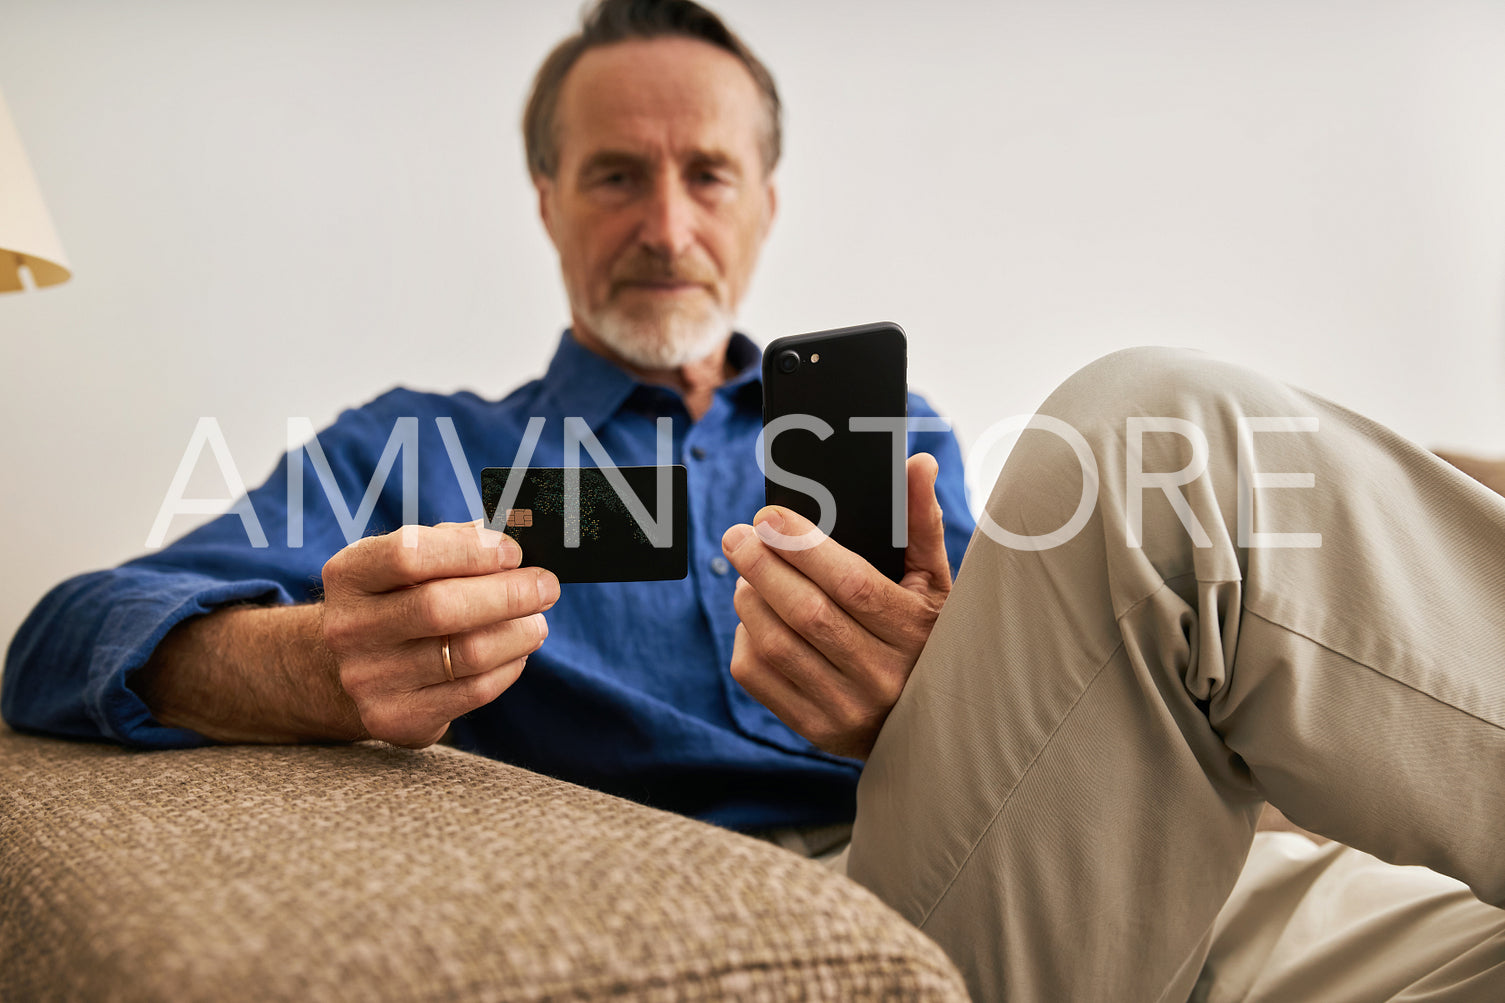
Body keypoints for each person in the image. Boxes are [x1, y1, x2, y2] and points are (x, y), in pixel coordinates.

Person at [4, 1, 1503, 1000]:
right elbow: (66, 635)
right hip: (876, 902)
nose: (665, 226)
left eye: (707, 175)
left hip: (1179, 863)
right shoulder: (417, 452)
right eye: (612, 177)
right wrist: (305, 663)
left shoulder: (882, 437)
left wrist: (928, 683)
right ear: (544, 203)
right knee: (1151, 427)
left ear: (765, 202)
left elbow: (1087, 696)